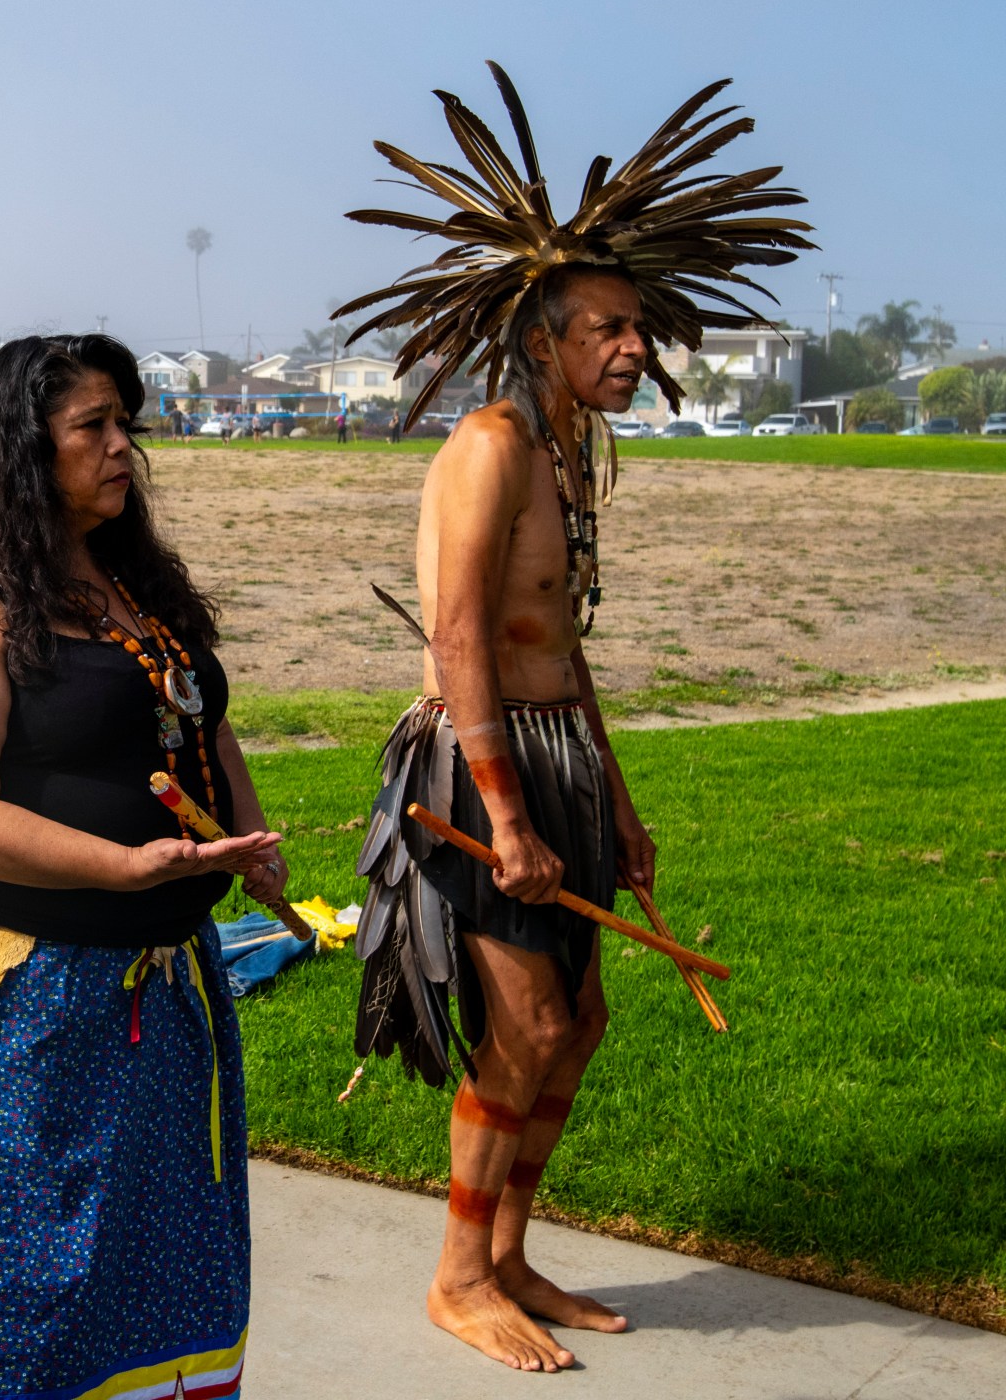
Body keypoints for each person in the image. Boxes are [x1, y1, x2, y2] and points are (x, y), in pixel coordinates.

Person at [334, 67, 809, 1373]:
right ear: (542, 335)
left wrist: (620, 808)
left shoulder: (567, 458)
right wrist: (505, 812)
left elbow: (566, 650)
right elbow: (461, 638)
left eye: (639, 331)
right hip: (474, 766)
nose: (632, 350)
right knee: (528, 1027)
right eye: (606, 328)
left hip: (559, 764)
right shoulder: (488, 447)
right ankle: (456, 1276)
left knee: (580, 1024)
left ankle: (511, 1253)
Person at [0, 334, 281, 1397]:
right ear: (21, 450)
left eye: (126, 422)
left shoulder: (130, 583)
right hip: (18, 1008)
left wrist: (244, 843)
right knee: (20, 1289)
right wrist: (122, 868)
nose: (123, 446)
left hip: (157, 996)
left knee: (150, 1270)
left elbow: (200, 722)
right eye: (94, 426)